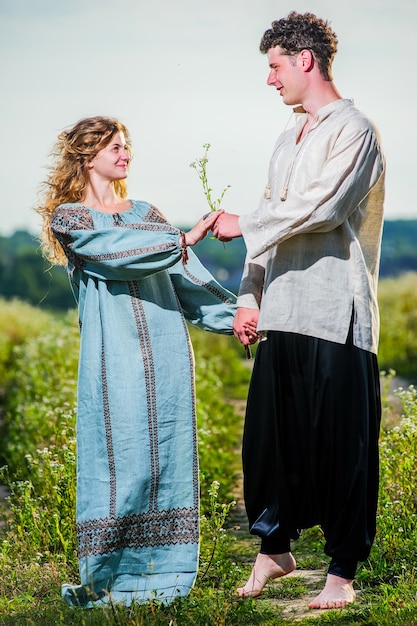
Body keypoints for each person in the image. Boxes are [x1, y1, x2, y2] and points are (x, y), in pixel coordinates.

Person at [212, 11, 385, 610]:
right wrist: (249, 296)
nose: (270, 79)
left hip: (336, 309)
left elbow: (325, 207)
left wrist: (242, 223)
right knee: (270, 442)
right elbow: (271, 225)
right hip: (283, 310)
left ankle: (341, 573)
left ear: (304, 60)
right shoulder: (287, 139)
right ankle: (274, 548)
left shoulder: (354, 129)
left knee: (342, 444)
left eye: (275, 66)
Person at [35, 116, 239, 607]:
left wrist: (235, 318)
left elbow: (183, 277)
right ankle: (109, 577)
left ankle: (166, 575)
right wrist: (182, 239)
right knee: (123, 466)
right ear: (87, 155)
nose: (124, 154)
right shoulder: (72, 219)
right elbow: (116, 254)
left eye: (126, 146)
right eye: (113, 147)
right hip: (114, 360)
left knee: (166, 462)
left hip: (168, 354)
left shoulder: (147, 212)